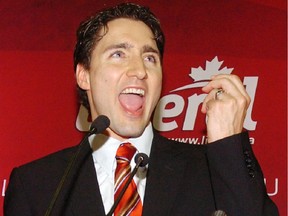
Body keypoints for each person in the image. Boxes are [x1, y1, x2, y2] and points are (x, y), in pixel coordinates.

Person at [4, 2, 279, 216]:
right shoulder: (37, 185)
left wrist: (228, 144)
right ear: (84, 75)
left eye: (150, 57)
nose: (139, 71)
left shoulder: (210, 168)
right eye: (118, 54)